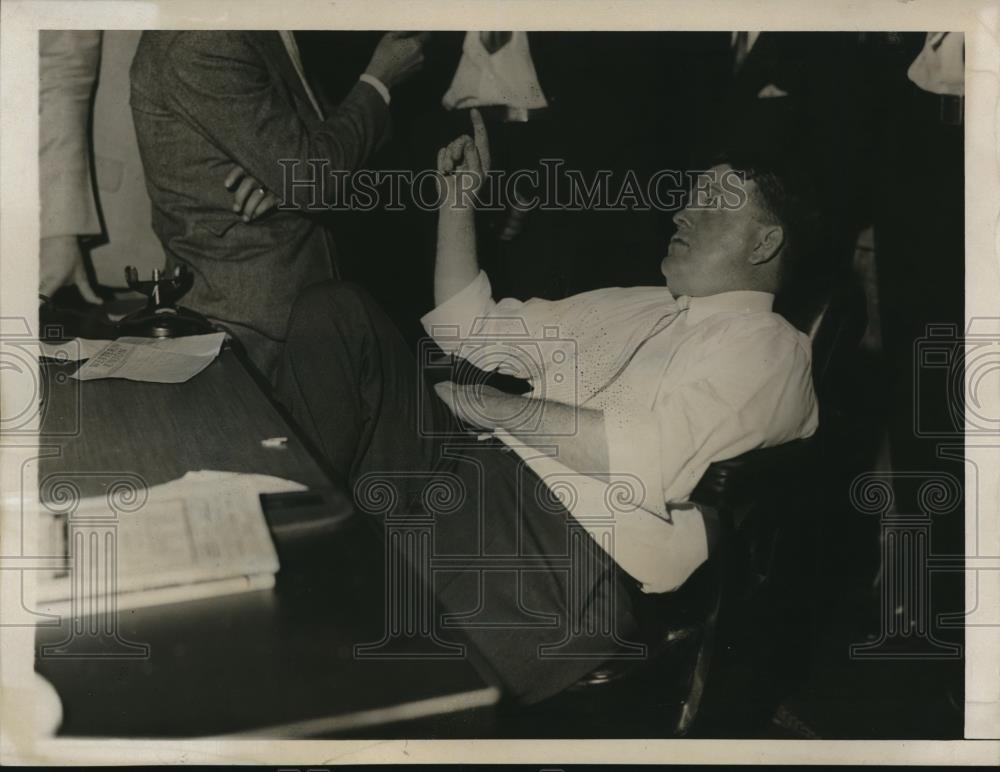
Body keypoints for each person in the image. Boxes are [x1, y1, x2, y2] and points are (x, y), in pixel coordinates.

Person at [273, 111, 820, 704]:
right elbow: (469, 329)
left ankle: (299, 598)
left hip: (559, 545)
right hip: (466, 469)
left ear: (765, 242)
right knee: (338, 314)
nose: (683, 213)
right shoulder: (638, 302)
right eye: (689, 198)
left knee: (338, 646)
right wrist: (458, 202)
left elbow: (651, 458)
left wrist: (498, 408)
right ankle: (273, 539)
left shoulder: (770, 346)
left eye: (713, 204)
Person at [130, 31, 427, 378]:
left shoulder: (251, 26)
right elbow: (314, 176)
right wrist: (379, 82)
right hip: (255, 326)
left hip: (303, 309)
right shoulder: (202, 39)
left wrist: (281, 170)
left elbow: (317, 149)